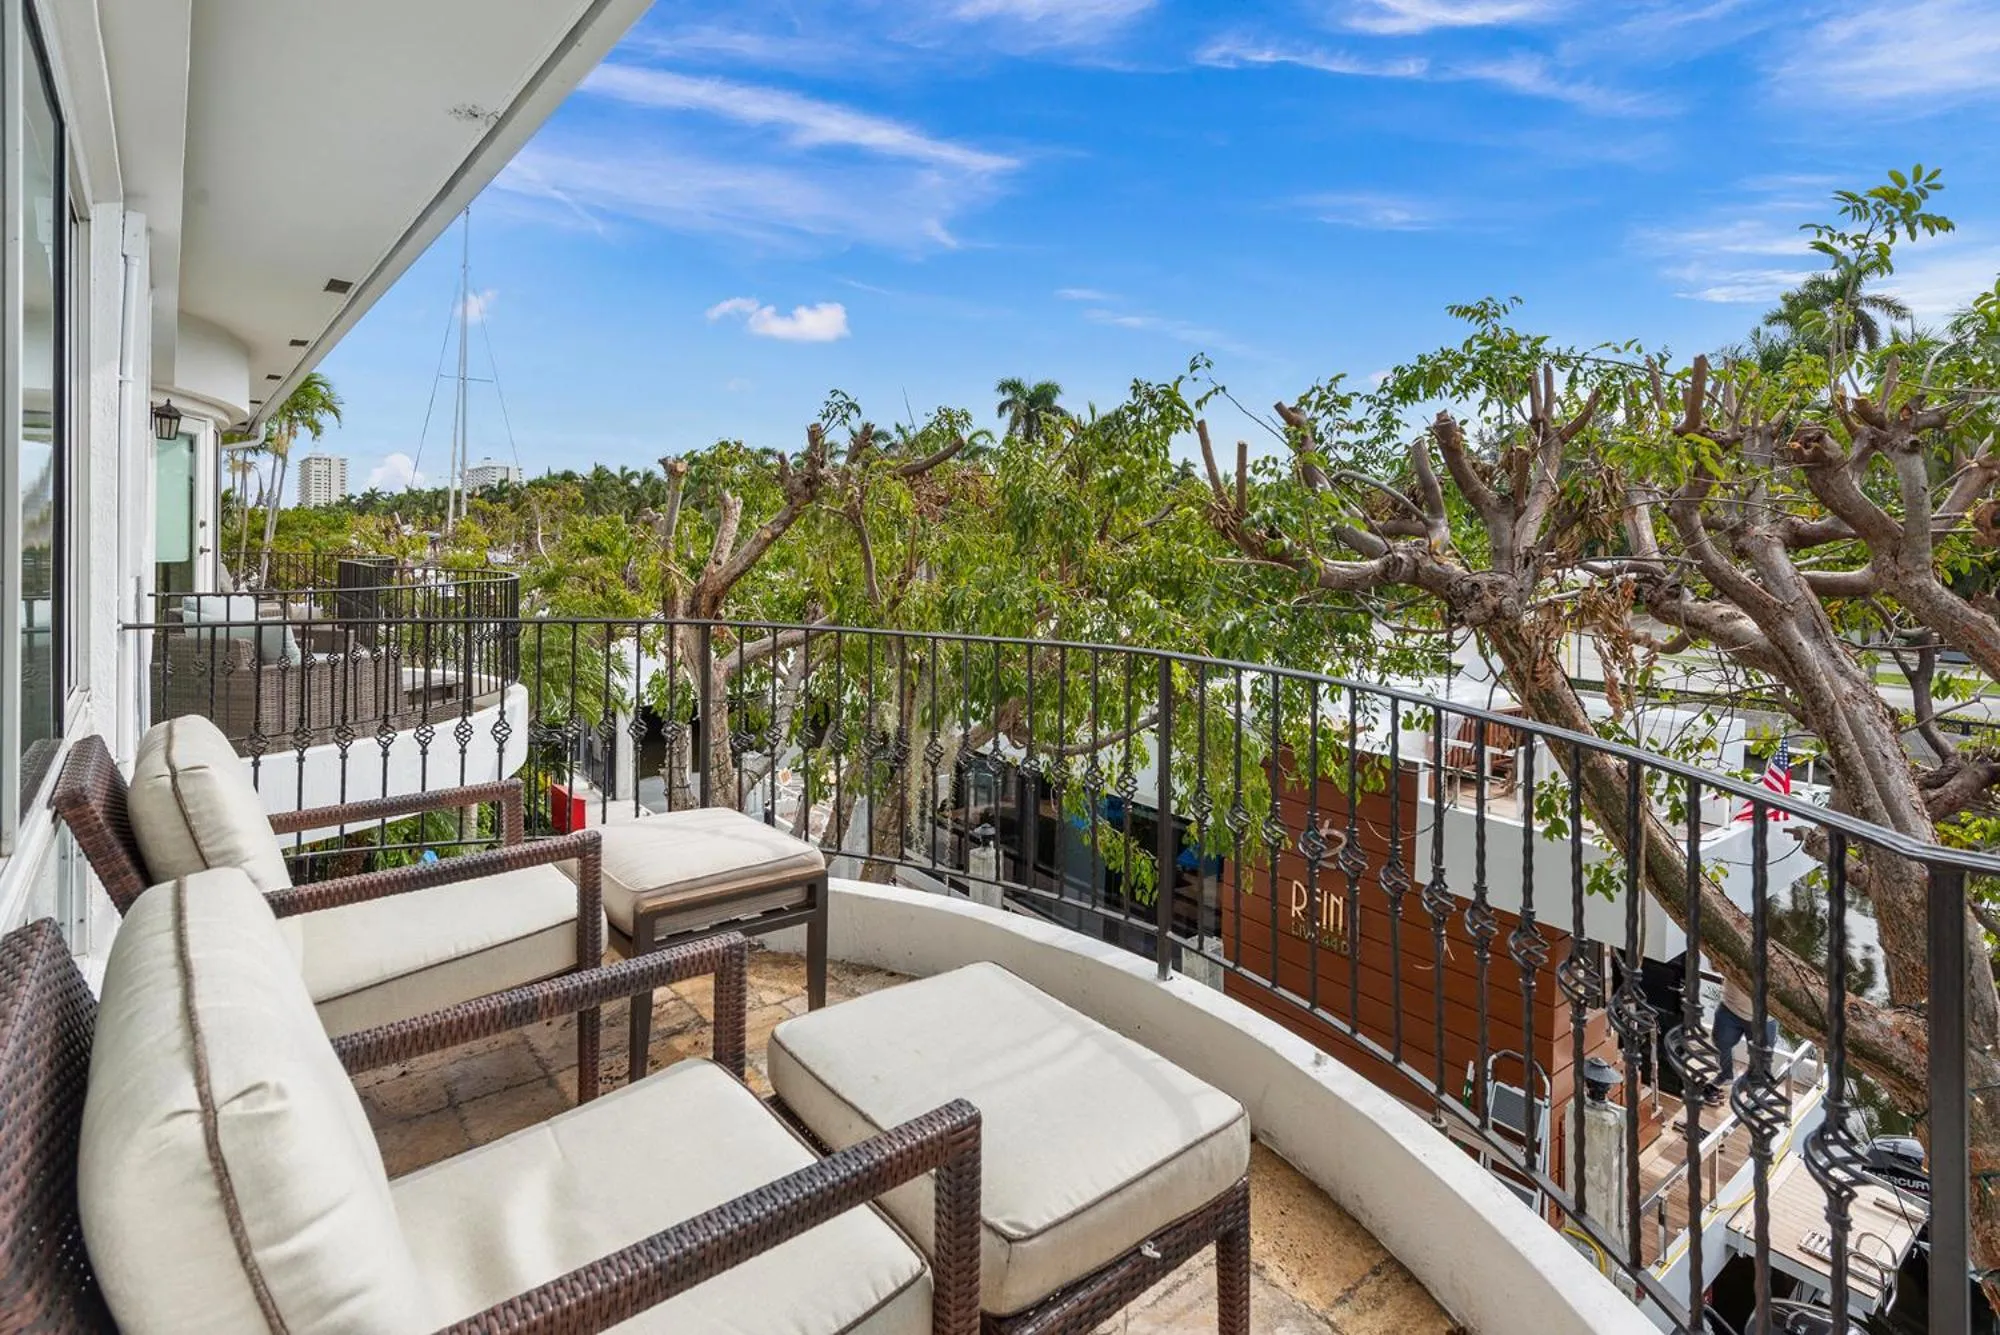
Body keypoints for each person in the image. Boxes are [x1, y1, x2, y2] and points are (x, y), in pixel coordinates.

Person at [1707, 972, 1777, 1106]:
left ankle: (1756, 1096)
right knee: (1720, 1044)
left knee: (1761, 1060)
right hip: (1730, 1007)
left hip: (1765, 1018)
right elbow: (1715, 965)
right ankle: (1725, 1075)